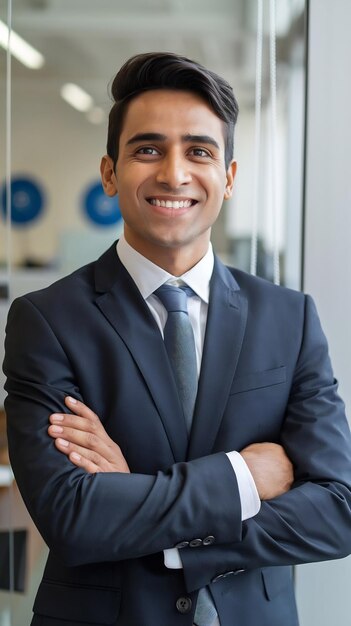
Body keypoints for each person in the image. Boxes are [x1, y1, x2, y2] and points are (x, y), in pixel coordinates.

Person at [3, 52, 351, 626]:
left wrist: (138, 501)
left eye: (199, 151)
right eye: (147, 149)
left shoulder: (289, 319)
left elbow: (336, 510)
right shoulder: (47, 320)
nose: (173, 173)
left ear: (229, 178)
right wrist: (245, 477)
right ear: (110, 172)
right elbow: (73, 518)